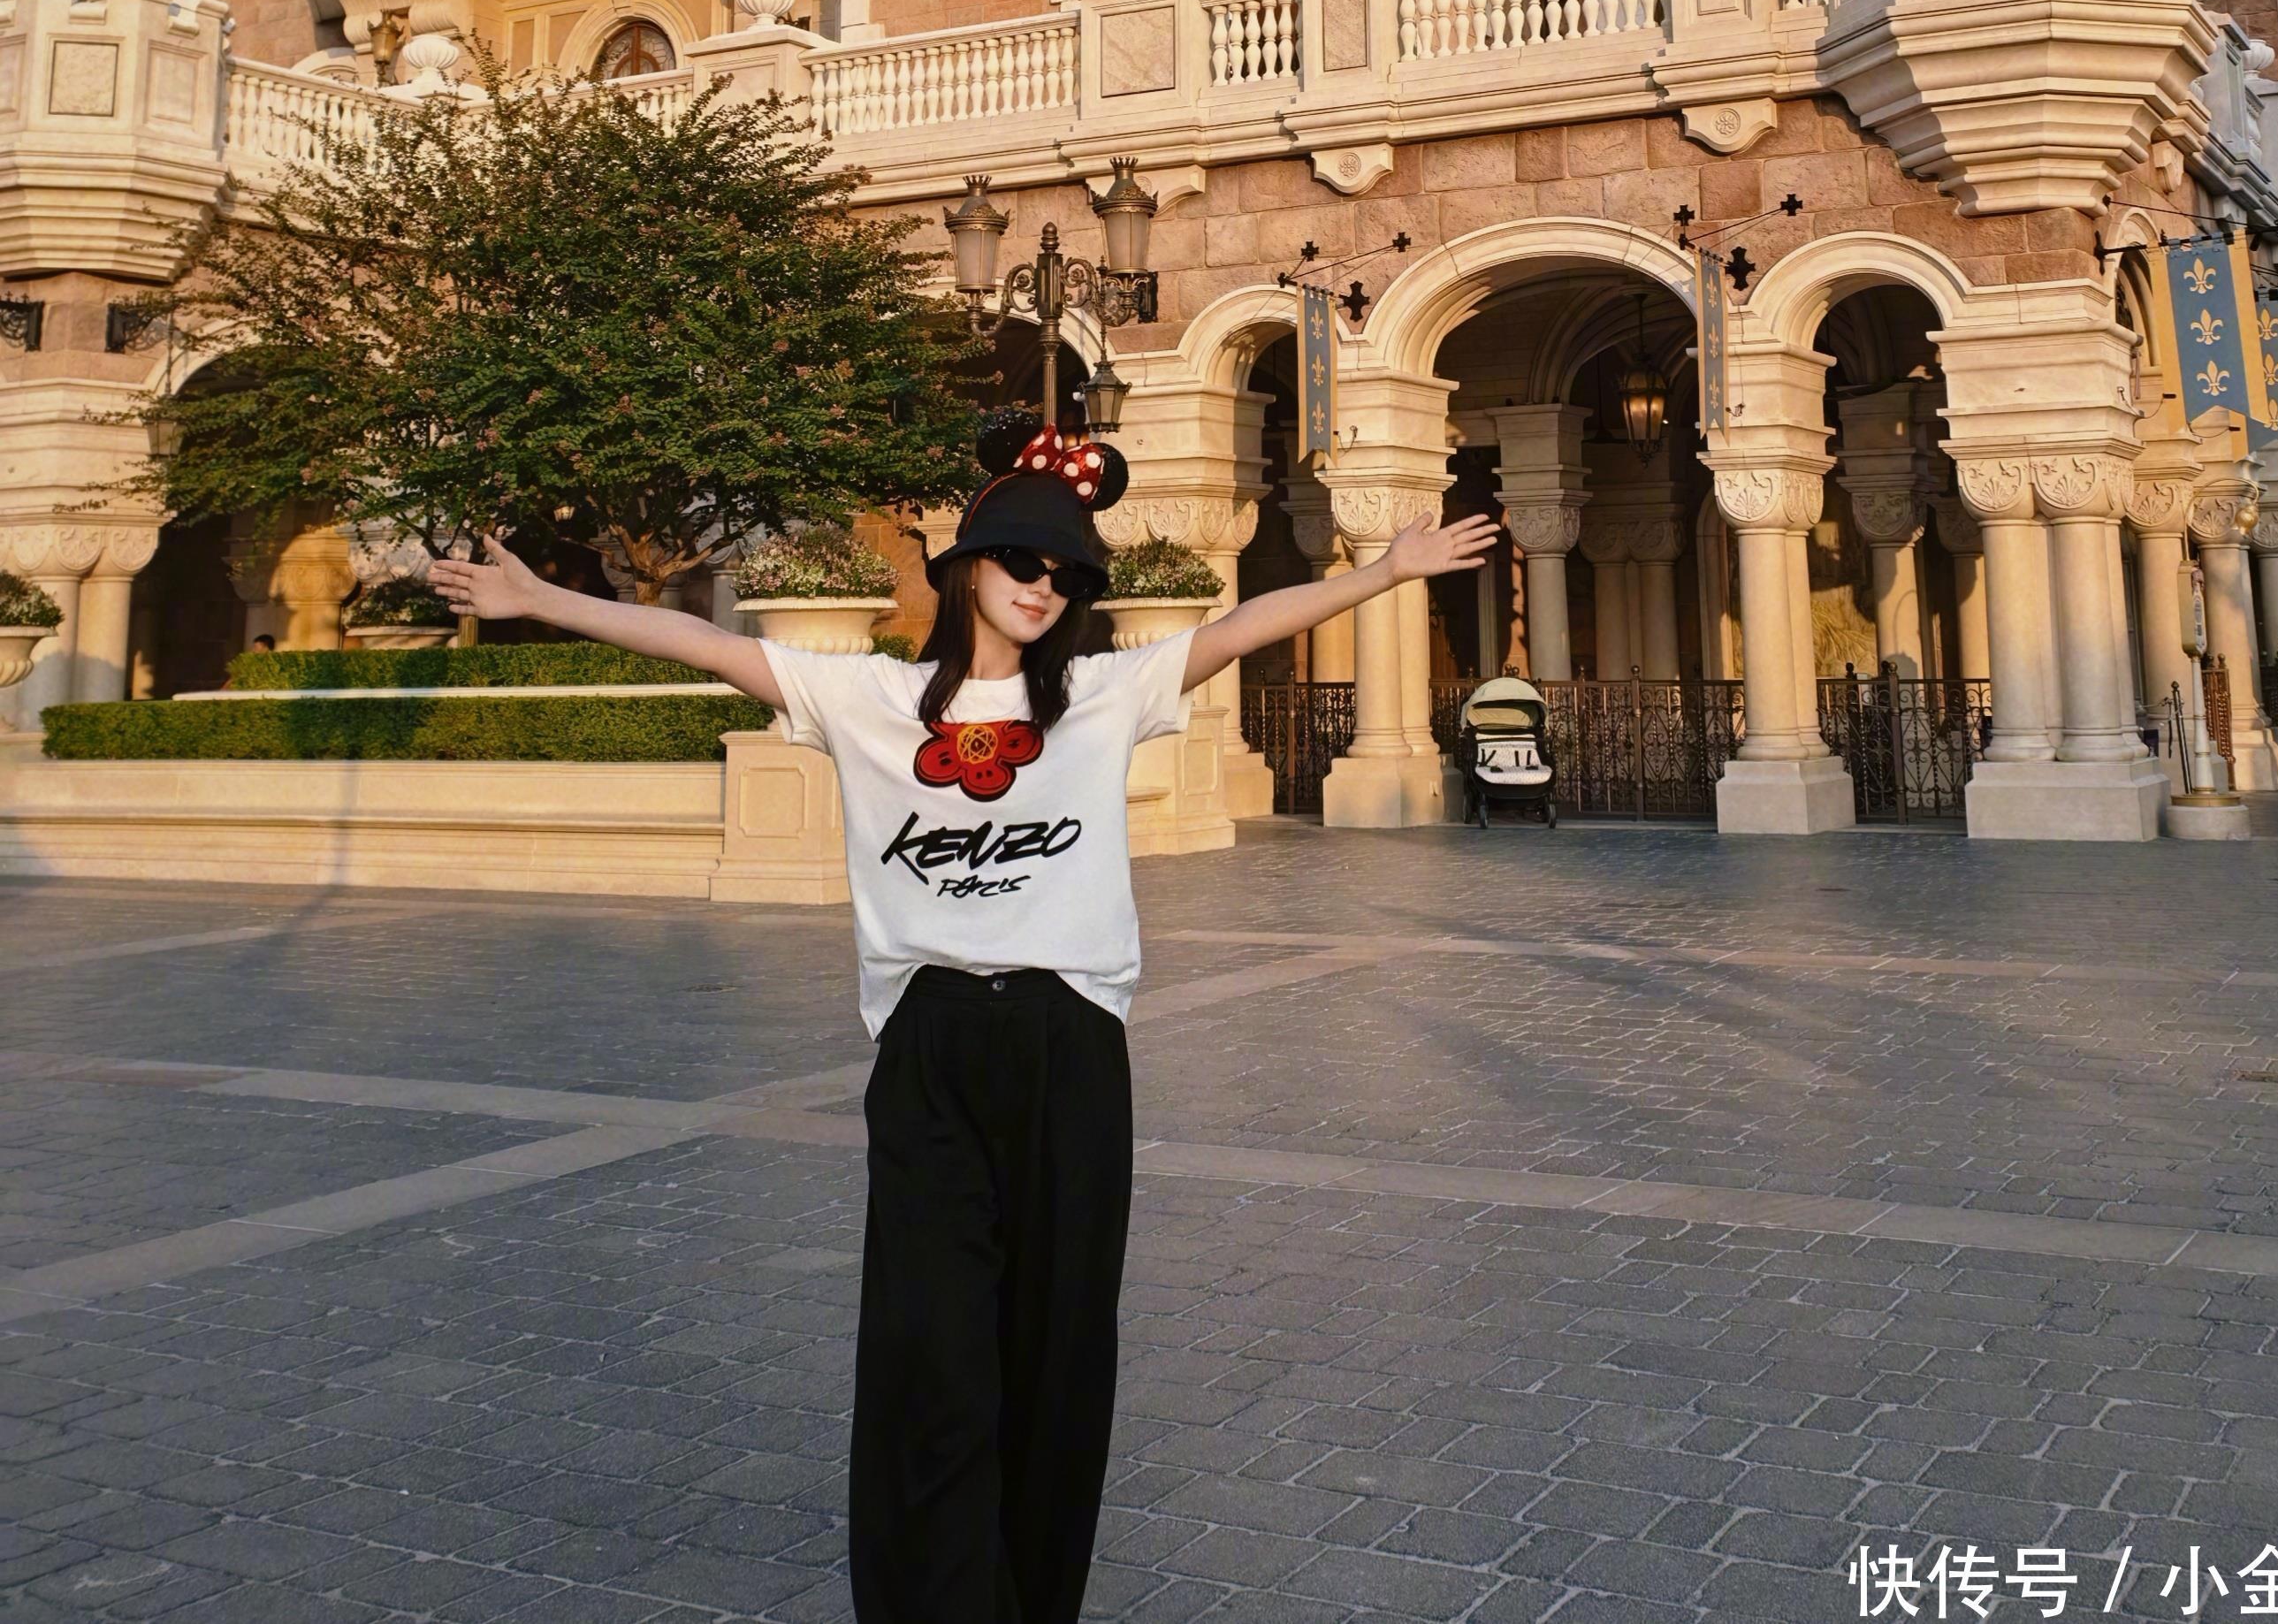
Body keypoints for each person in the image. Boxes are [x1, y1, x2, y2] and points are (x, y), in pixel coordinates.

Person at [426, 431, 1497, 1624]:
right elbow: (710, 644)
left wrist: (1385, 570)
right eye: (1022, 561)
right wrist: (541, 600)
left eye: (1066, 573)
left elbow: (1242, 626)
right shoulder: (871, 699)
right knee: (927, 1352)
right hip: (930, 1044)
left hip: (1066, 1041)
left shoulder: (1100, 695)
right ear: (969, 566)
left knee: (1057, 1347)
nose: (1043, 586)